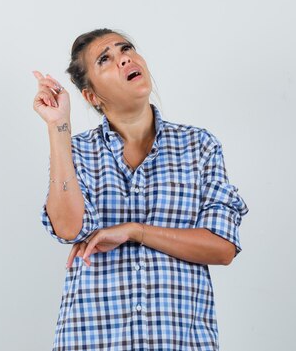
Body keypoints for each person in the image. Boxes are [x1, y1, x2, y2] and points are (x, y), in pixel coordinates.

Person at [32, 28, 249, 350]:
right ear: (91, 96)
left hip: (180, 341)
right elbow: (68, 228)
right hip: (93, 339)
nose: (124, 59)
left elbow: (221, 247)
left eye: (126, 49)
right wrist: (58, 126)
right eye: (105, 59)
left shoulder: (199, 146)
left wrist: (134, 231)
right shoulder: (77, 152)